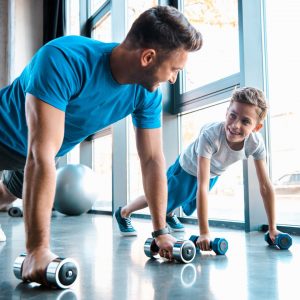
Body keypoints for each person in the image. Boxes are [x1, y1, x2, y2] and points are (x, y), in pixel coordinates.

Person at [0, 5, 203, 284]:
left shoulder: (146, 95)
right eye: (174, 70)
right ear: (148, 57)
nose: (173, 79)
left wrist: (160, 231)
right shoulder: (65, 58)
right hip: (9, 139)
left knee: (6, 195)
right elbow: (40, 154)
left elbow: (153, 160)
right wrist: (36, 251)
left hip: (35, 155)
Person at [116, 87, 283, 249]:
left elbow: (265, 186)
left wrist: (272, 227)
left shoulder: (256, 143)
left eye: (245, 121)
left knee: (184, 201)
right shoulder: (211, 136)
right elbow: (201, 185)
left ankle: (169, 213)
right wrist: (204, 232)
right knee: (160, 197)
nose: (235, 125)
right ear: (226, 113)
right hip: (187, 169)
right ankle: (124, 212)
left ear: (256, 127)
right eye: (232, 116)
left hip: (213, 173)